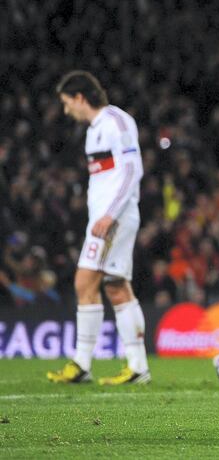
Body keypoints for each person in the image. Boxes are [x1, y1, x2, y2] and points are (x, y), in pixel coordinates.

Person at [47, 71, 150, 385]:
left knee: (84, 281)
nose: (67, 111)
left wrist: (109, 215)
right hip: (109, 217)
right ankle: (138, 367)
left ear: (80, 98)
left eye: (67, 103)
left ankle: (81, 363)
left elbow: (133, 169)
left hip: (113, 218)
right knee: (116, 286)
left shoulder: (115, 122)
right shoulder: (94, 131)